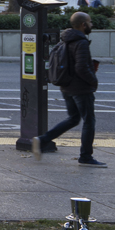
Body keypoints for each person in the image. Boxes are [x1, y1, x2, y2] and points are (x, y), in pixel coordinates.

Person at [34, 11, 105, 167]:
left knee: (73, 118)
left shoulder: (64, 40)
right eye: (90, 22)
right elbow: (81, 67)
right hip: (81, 89)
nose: (91, 25)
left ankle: (42, 140)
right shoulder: (81, 42)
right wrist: (93, 81)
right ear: (83, 24)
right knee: (89, 121)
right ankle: (86, 157)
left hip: (66, 87)